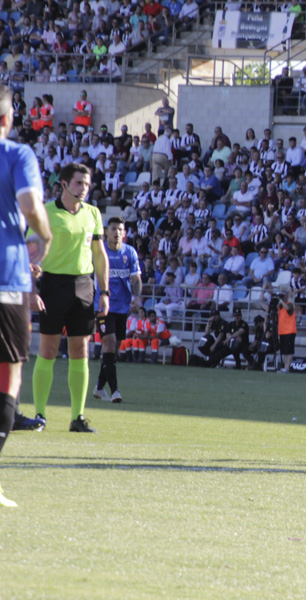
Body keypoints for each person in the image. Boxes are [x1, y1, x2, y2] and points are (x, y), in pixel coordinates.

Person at [0, 83, 53, 507]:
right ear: (7, 118)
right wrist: (44, 234)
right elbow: (30, 203)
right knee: (10, 371)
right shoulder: (17, 154)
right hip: (6, 276)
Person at [32, 163, 109, 433]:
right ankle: (40, 414)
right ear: (64, 184)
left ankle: (78, 417)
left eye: (87, 184)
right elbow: (31, 254)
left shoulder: (93, 213)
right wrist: (32, 289)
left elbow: (100, 255)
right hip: (53, 284)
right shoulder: (45, 212)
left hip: (84, 286)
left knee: (81, 351)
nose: (84, 189)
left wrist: (105, 292)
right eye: (79, 183)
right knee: (49, 349)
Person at [93, 217, 142, 404]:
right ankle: (115, 391)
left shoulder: (129, 253)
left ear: (124, 233)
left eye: (120, 229)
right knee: (109, 343)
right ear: (107, 232)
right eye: (113, 228)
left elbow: (136, 278)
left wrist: (137, 297)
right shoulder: (100, 251)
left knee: (113, 351)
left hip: (122, 308)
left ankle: (99, 387)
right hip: (103, 306)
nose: (117, 232)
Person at [277, 292, 297, 373]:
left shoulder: (290, 304)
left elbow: (288, 308)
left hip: (290, 330)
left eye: (284, 296)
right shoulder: (279, 306)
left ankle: (287, 367)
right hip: (282, 331)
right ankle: (285, 366)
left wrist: (282, 301)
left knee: (289, 350)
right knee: (284, 351)